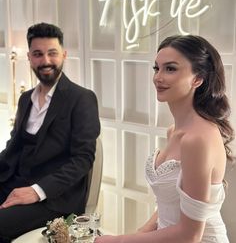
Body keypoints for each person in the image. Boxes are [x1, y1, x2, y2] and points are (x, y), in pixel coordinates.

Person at [95, 35, 234, 243]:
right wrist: (139, 233)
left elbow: (190, 235)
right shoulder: (173, 131)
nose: (158, 77)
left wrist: (120, 241)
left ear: (198, 78)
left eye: (170, 69)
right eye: (156, 68)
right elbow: (170, 206)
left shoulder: (197, 140)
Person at [0, 22, 100, 242]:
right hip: (15, 182)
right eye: (38, 54)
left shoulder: (81, 98)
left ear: (63, 54)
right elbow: (13, 148)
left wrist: (36, 191)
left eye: (52, 53)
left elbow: (83, 159)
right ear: (29, 57)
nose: (45, 61)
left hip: (55, 198)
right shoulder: (26, 99)